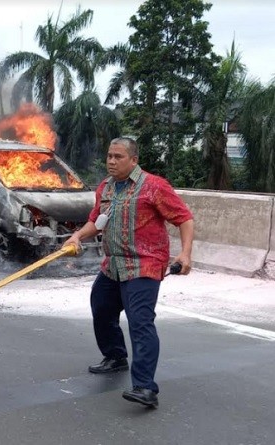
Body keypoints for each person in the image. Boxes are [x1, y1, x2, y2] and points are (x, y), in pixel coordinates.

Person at [63, 137, 194, 409]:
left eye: (118, 157)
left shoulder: (155, 186)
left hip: (144, 264)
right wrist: (77, 236)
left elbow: (184, 218)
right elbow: (95, 221)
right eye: (109, 156)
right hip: (113, 264)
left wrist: (185, 254)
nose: (111, 161)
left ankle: (146, 388)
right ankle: (115, 356)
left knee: (140, 322)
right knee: (101, 307)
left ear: (133, 160)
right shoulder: (106, 188)